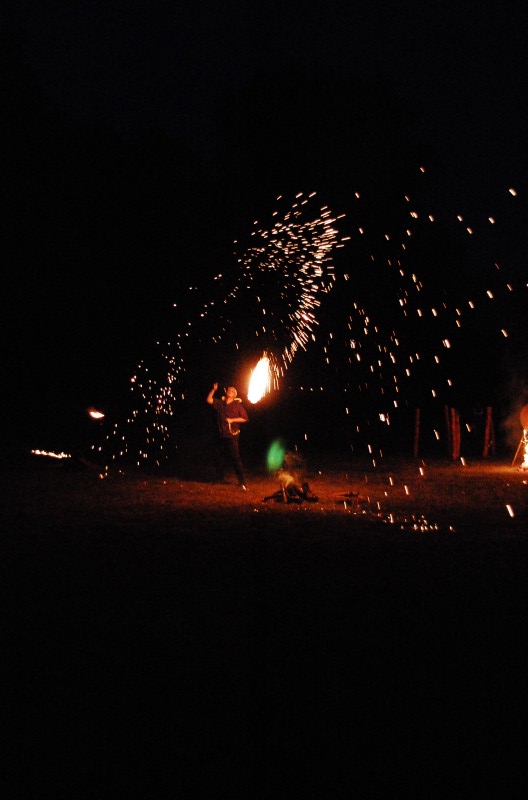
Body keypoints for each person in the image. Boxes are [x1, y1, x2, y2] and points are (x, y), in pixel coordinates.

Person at [206, 382, 249, 489]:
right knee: (218, 457)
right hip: (220, 434)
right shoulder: (220, 403)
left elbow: (245, 418)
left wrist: (232, 420)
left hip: (232, 435)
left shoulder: (237, 406)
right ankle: (219, 478)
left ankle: (242, 482)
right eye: (229, 390)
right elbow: (209, 400)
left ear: (234, 395)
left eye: (232, 391)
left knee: (235, 458)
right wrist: (214, 390)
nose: (230, 391)